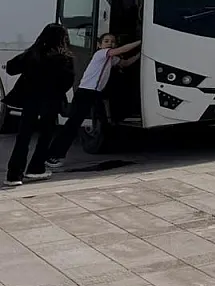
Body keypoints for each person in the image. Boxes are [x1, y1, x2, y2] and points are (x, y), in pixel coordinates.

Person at [45, 34, 141, 168]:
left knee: (99, 122)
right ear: (99, 45)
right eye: (106, 41)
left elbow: (125, 63)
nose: (110, 43)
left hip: (95, 94)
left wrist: (141, 54)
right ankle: (53, 156)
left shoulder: (111, 59)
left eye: (113, 41)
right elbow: (122, 50)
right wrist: (141, 41)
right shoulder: (100, 54)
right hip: (86, 92)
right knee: (72, 125)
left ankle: (55, 154)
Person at [5, 24, 76, 187]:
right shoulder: (65, 58)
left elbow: (10, 68)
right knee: (45, 136)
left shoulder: (33, 54)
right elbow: (68, 82)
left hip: (30, 100)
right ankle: (36, 168)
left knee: (23, 137)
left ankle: (14, 175)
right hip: (51, 101)